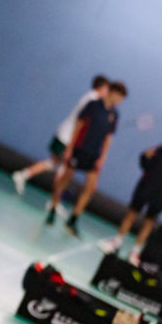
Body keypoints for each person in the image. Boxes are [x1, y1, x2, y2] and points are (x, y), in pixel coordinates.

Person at [98, 123, 162, 265]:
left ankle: (135, 252)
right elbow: (145, 164)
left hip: (161, 195)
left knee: (149, 222)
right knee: (131, 214)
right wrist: (145, 156)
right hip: (145, 188)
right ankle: (116, 242)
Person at [46, 81, 128, 237]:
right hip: (79, 150)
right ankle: (52, 209)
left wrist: (102, 158)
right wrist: (70, 148)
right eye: (120, 97)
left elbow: (108, 138)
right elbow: (78, 125)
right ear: (113, 92)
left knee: (91, 188)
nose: (120, 101)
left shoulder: (114, 114)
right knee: (64, 180)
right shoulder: (93, 105)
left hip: (94, 155)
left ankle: (73, 220)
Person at [12, 75, 110, 195]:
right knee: (62, 170)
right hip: (67, 137)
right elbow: (83, 122)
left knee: (54, 164)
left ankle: (23, 175)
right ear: (102, 87)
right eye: (107, 89)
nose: (108, 92)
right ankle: (53, 202)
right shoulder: (93, 100)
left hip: (64, 134)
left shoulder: (90, 98)